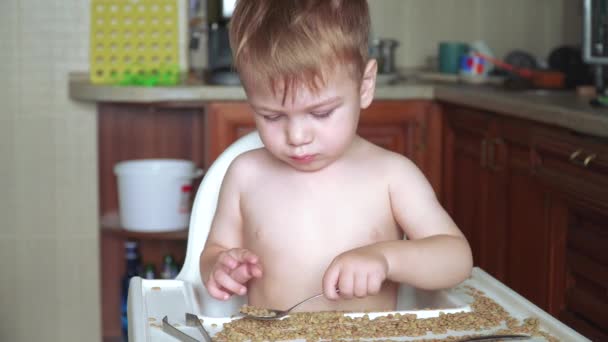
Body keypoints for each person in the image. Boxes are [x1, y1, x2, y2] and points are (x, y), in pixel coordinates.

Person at [200, 0, 473, 313]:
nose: (297, 137)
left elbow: (456, 258)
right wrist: (220, 268)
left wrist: (385, 258)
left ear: (365, 86)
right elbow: (214, 251)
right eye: (272, 116)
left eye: (321, 112)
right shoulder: (245, 174)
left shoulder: (392, 175)